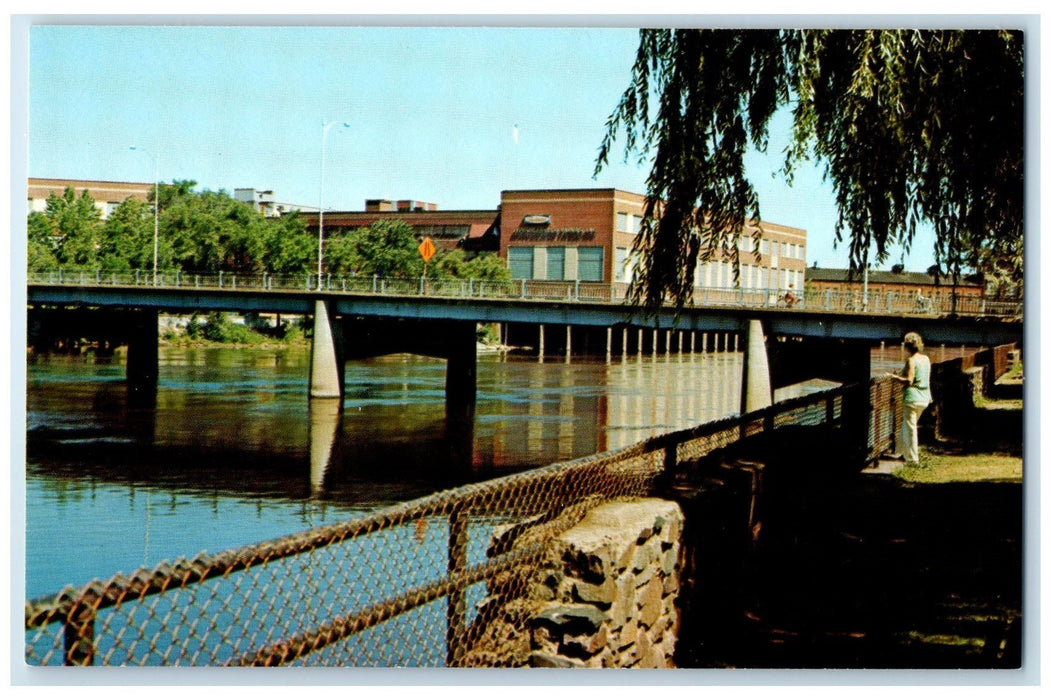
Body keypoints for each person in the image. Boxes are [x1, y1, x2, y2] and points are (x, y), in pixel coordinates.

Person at [884, 332, 933, 465]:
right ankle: (901, 452)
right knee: (907, 424)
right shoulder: (926, 359)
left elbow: (909, 380)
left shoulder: (911, 360)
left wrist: (894, 377)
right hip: (925, 398)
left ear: (907, 346)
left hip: (912, 398)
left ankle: (912, 459)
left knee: (911, 428)